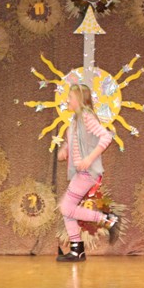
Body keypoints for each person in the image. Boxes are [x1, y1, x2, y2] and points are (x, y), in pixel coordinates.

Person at [56, 83, 118, 262]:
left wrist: (89, 159)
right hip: (80, 172)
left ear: (79, 100)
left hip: (88, 172)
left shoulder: (86, 116)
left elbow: (106, 136)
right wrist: (65, 149)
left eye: (70, 97)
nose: (67, 100)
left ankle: (107, 220)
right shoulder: (76, 120)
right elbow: (75, 140)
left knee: (66, 207)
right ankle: (77, 250)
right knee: (67, 210)